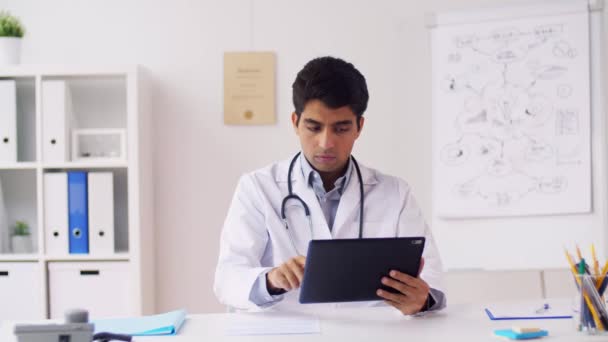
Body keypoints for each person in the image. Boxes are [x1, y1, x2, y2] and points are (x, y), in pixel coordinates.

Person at [214, 56, 445, 314]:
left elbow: (432, 279)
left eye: (341, 128)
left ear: (359, 127)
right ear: (295, 123)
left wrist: (422, 300)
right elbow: (227, 279)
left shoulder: (395, 194)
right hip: (286, 333)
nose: (326, 143)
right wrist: (271, 281)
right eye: (314, 127)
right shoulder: (258, 188)